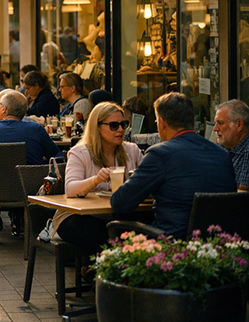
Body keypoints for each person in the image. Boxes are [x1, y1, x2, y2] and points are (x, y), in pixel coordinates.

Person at [111, 92, 237, 239]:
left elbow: (121, 202)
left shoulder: (160, 154)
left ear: (162, 123)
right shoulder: (222, 154)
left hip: (171, 247)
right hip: (217, 247)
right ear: (193, 120)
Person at [54, 102, 144, 255]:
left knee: (138, 223)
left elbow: (146, 182)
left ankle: (104, 267)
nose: (121, 130)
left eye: (124, 124)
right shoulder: (80, 152)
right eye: (114, 125)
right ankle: (108, 267)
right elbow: (70, 189)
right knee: (105, 231)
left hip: (117, 213)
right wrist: (95, 180)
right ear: (97, 127)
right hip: (79, 216)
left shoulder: (132, 150)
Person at [0, 90, 62, 241]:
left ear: (3, 109)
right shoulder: (35, 129)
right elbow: (57, 156)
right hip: (30, 189)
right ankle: (37, 226)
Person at [213, 100, 249, 191]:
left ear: (239, 125)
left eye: (220, 123)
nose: (215, 128)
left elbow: (241, 194)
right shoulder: (225, 150)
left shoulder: (246, 151)